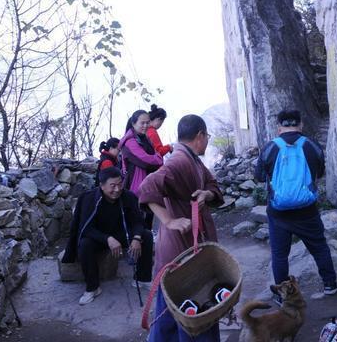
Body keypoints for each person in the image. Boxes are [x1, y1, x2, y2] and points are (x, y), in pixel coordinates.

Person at [139, 114, 224, 342]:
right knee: (193, 306)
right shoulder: (179, 161)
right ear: (200, 135)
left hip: (185, 249)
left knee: (170, 306)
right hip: (181, 250)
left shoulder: (193, 160)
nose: (207, 140)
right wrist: (169, 221)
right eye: (207, 136)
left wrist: (207, 193)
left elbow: (212, 183)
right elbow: (147, 187)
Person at [254, 109, 337, 304]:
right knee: (319, 247)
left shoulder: (269, 148)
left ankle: (282, 296)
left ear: (279, 127)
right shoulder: (312, 146)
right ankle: (329, 284)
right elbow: (320, 171)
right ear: (300, 125)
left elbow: (259, 176)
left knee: (279, 255)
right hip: (307, 210)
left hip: (278, 213)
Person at [62, 167, 153, 305]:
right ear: (102, 185)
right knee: (85, 244)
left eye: (120, 184)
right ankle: (92, 287)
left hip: (122, 234)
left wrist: (136, 238)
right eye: (113, 186)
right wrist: (107, 239)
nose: (117, 189)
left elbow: (138, 222)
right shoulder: (89, 199)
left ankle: (142, 279)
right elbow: (85, 228)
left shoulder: (128, 197)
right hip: (98, 237)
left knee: (146, 236)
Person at [119, 109, 163, 230]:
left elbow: (153, 156)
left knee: (148, 216)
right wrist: (158, 158)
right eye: (142, 123)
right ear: (133, 124)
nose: (145, 126)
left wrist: (156, 157)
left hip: (148, 183)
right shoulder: (130, 142)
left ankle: (147, 240)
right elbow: (146, 160)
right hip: (137, 186)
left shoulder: (143, 138)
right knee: (138, 220)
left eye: (147, 123)